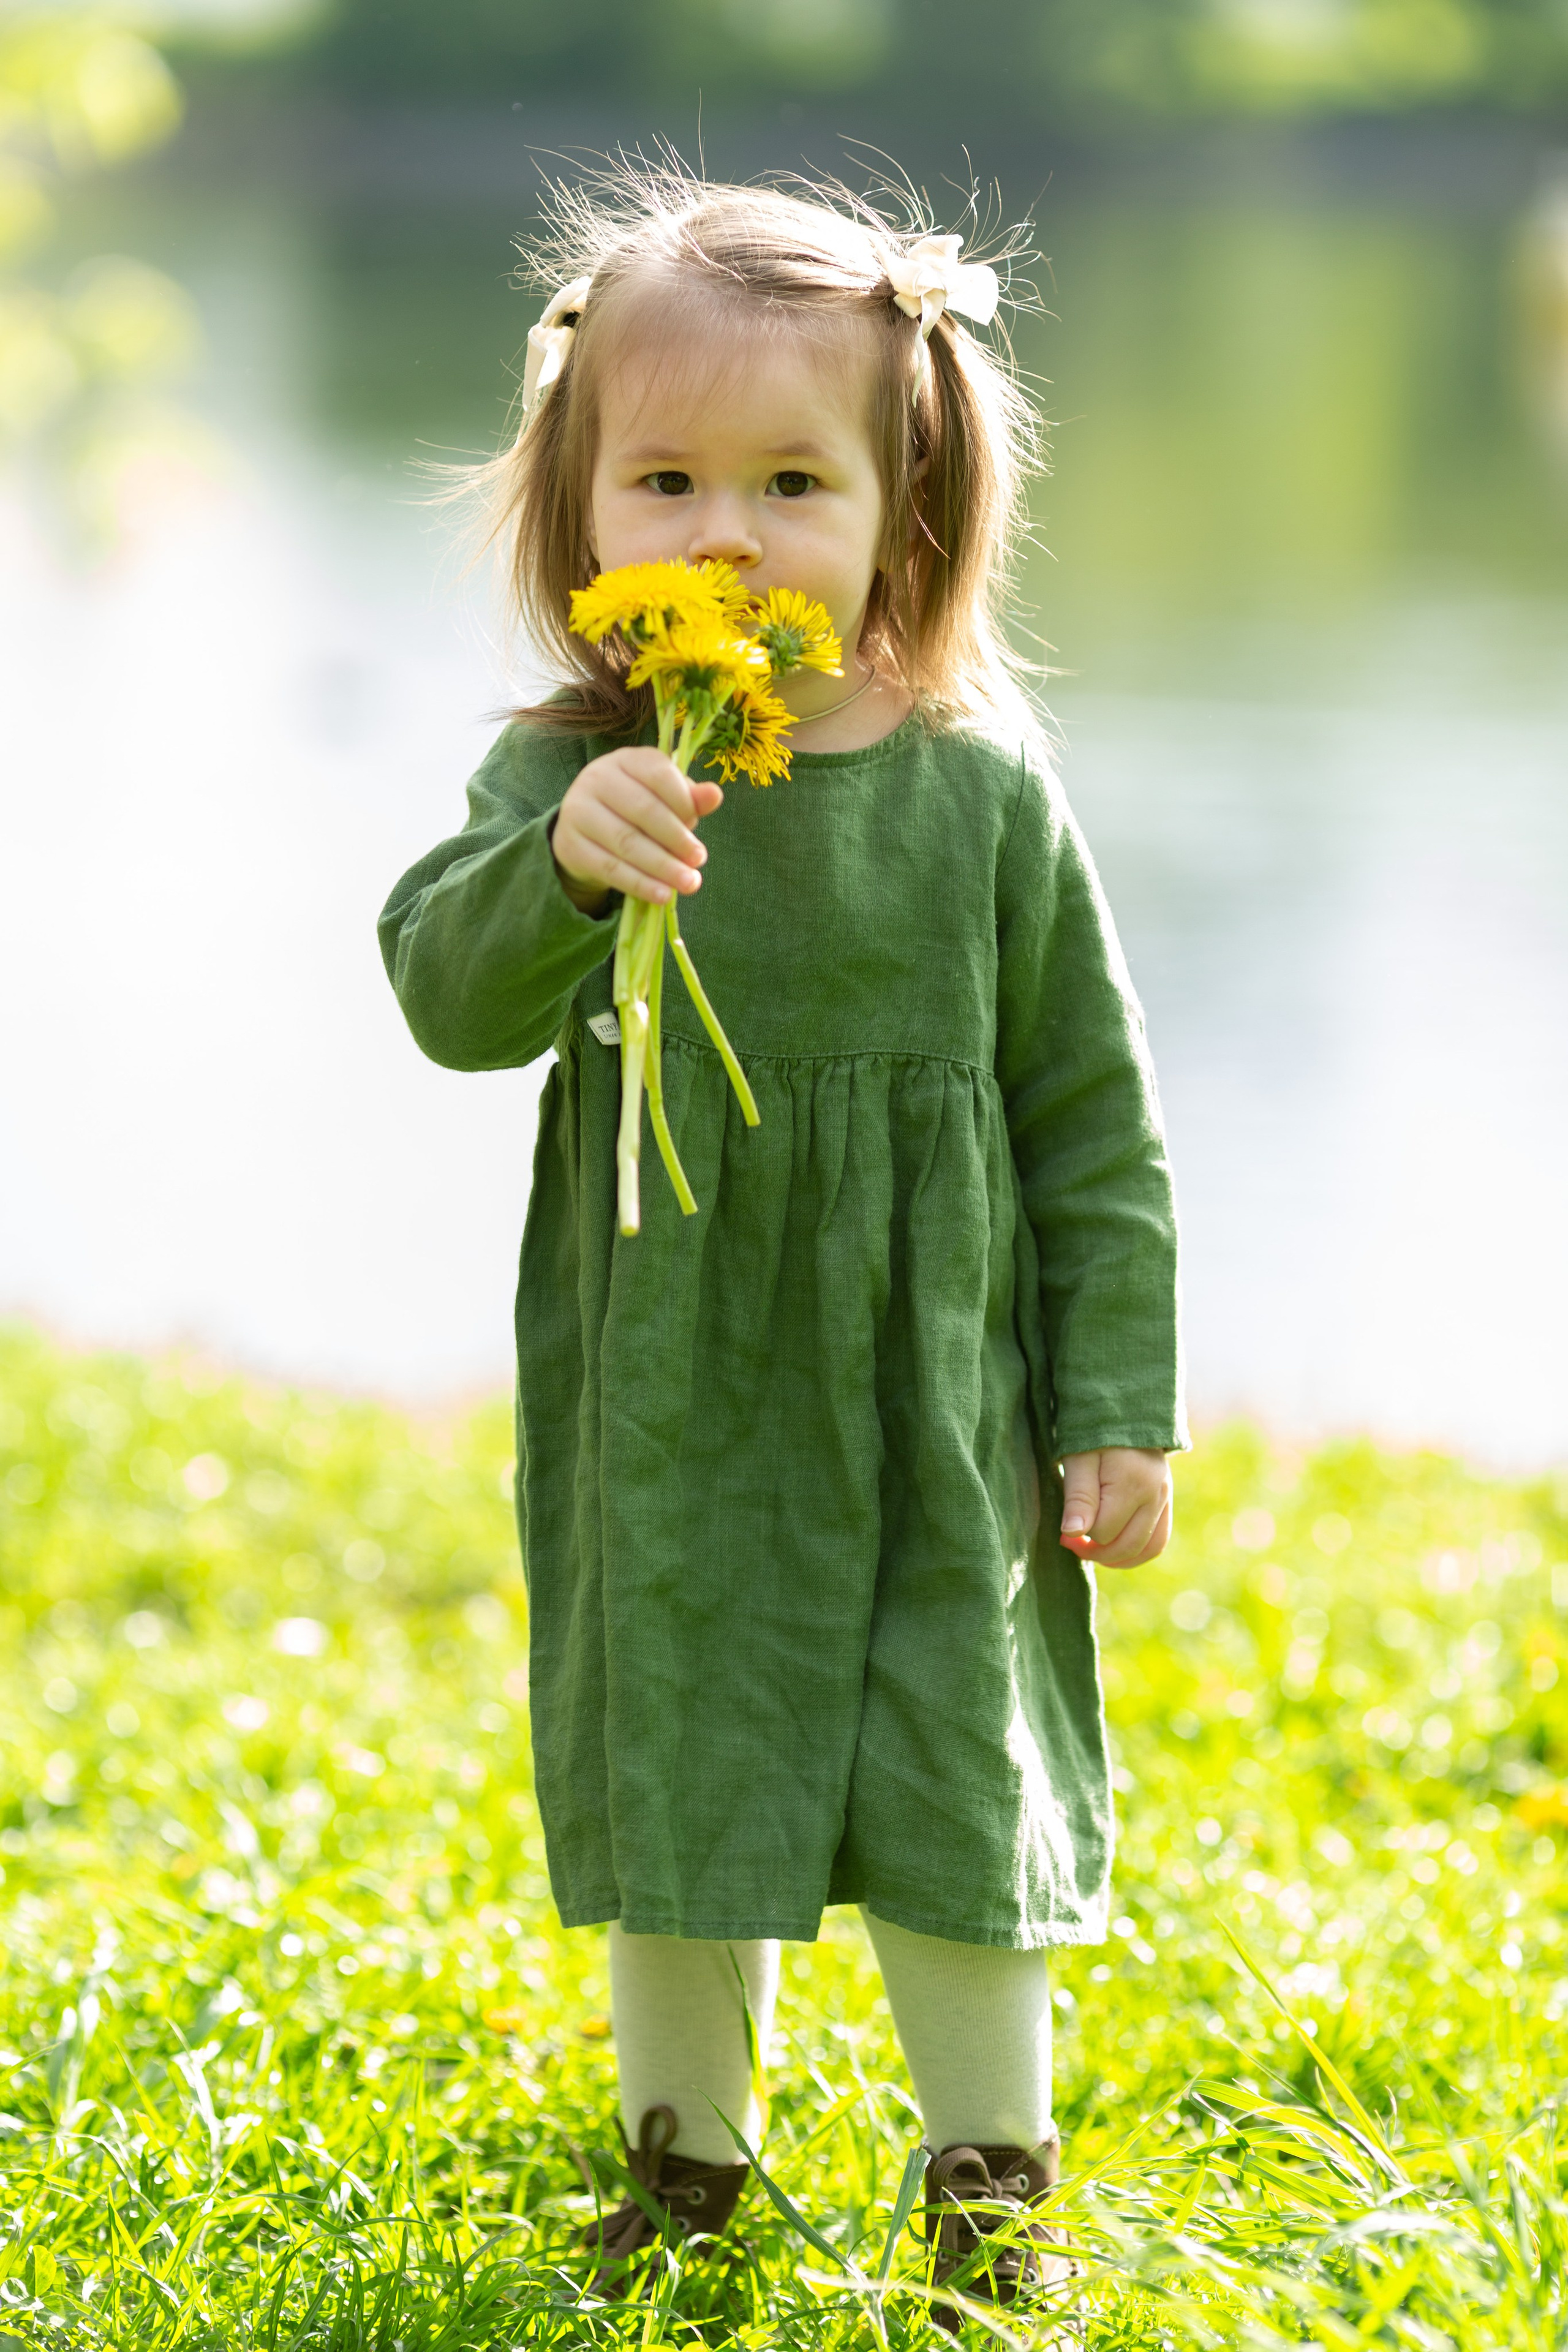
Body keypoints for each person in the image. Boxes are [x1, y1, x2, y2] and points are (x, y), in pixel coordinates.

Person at [379, 162, 1185, 2327]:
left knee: (953, 1753)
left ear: (902, 517)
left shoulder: (978, 792)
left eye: (791, 480)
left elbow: (1091, 1119)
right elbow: (446, 1005)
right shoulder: (580, 767)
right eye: (663, 479)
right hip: (676, 1370)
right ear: (580, 519)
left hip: (938, 1380)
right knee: (684, 1742)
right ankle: (685, 2169)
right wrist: (561, 869)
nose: (722, 534)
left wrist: (1115, 1405)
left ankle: (991, 2177)